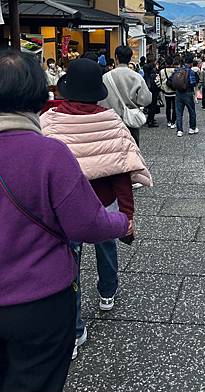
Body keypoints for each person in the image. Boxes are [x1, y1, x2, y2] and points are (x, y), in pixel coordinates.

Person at [0, 50, 130, 392]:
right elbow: (85, 224)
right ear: (40, 96)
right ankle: (105, 294)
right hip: (36, 301)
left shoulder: (55, 131)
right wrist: (123, 223)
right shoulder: (48, 153)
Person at [40, 58, 151, 361]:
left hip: (63, 207)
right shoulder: (110, 120)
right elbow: (122, 171)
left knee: (68, 266)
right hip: (102, 202)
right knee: (106, 246)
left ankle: (74, 332)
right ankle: (107, 292)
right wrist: (127, 216)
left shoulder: (50, 120)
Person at [100, 45, 152, 148]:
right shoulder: (136, 77)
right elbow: (146, 99)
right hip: (130, 121)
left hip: (111, 122)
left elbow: (100, 100)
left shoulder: (105, 77)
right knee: (132, 151)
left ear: (116, 57)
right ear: (130, 59)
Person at [175, 53, 199, 137]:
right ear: (191, 63)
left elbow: (172, 80)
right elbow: (193, 83)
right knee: (191, 111)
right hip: (188, 93)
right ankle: (192, 128)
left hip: (178, 93)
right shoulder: (190, 71)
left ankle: (179, 130)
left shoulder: (178, 70)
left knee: (179, 112)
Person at [143, 61, 161, 128]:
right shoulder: (154, 75)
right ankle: (151, 121)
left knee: (149, 106)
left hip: (147, 92)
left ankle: (149, 119)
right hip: (154, 92)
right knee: (153, 107)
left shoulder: (144, 76)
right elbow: (158, 84)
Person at [160, 57, 177, 128]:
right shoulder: (175, 70)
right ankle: (173, 122)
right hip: (175, 91)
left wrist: (162, 89)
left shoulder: (162, 71)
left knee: (168, 106)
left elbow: (160, 80)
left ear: (166, 63)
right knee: (175, 107)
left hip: (166, 91)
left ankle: (168, 121)